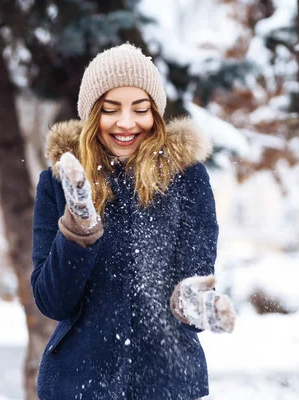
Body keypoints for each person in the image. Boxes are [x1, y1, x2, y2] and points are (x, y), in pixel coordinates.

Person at [31, 43, 236, 400]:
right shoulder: (59, 182)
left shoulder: (186, 178)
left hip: (167, 384)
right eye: (111, 110)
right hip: (78, 385)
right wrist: (78, 228)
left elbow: (195, 270)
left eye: (140, 109)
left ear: (155, 113)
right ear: (92, 114)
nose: (126, 123)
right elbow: (52, 302)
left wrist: (194, 303)